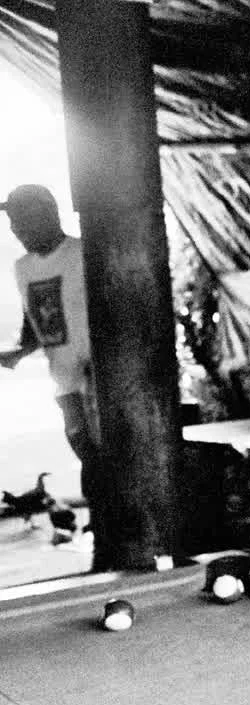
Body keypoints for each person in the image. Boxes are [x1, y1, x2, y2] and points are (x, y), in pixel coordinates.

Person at [1, 184, 112, 570]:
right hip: (63, 382)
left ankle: (109, 531)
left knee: (105, 458)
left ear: (49, 214)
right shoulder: (22, 267)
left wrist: (103, 365)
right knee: (87, 456)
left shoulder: (84, 255)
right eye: (12, 222)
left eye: (22, 220)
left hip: (99, 378)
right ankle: (103, 530)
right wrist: (18, 352)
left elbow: (115, 312)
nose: (16, 229)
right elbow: (37, 323)